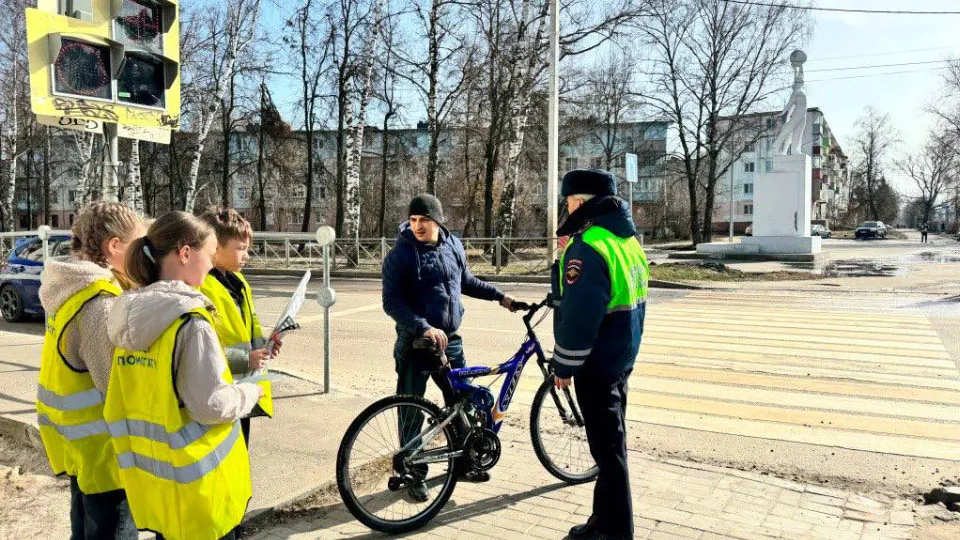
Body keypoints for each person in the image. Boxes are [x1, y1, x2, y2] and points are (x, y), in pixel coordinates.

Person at [103, 212, 262, 540]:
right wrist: (250, 394)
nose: (210, 263)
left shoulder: (131, 316)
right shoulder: (190, 323)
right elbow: (210, 405)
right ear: (185, 253)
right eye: (210, 252)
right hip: (200, 491)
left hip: (159, 486)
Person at [382, 194, 515, 501]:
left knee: (462, 404)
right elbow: (391, 302)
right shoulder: (400, 255)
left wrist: (500, 297)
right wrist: (424, 326)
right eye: (413, 220)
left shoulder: (452, 245)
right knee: (411, 409)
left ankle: (464, 462)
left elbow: (466, 281)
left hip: (451, 342)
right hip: (415, 343)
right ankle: (412, 473)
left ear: (438, 221)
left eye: (424, 221)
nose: (417, 226)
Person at [551, 169, 649, 540]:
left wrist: (564, 364)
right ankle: (601, 523)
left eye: (569, 200)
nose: (567, 207)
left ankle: (617, 533)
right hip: (621, 358)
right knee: (610, 448)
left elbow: (580, 314)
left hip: (596, 365)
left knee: (609, 457)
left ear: (580, 202)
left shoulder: (588, 244)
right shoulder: (625, 241)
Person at [37, 202, 144, 540]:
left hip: (79, 443)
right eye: (139, 246)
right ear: (115, 246)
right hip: (106, 452)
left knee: (84, 529)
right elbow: (118, 385)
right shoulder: (100, 303)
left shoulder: (70, 289)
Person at [198, 207, 275, 447]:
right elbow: (202, 349)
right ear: (214, 247)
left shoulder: (237, 280)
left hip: (243, 388)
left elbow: (245, 330)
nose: (247, 256)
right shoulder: (201, 286)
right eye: (240, 249)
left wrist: (265, 344)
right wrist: (245, 359)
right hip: (219, 392)